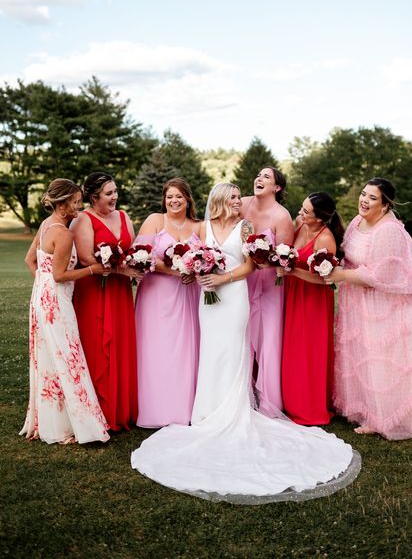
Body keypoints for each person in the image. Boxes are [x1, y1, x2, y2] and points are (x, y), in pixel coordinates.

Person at [131, 183, 360, 503]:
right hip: (207, 300)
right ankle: (206, 413)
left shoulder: (246, 228)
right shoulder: (203, 227)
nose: (241, 202)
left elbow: (251, 265)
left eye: (241, 197)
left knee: (232, 351)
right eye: (236, 197)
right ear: (223, 200)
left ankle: (233, 411)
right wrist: (194, 270)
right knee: (211, 353)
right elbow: (191, 256)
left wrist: (223, 278)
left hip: (234, 295)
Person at [326, 178, 412, 440]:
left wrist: (341, 275)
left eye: (372, 198)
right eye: (363, 194)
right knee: (361, 354)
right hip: (357, 301)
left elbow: (381, 275)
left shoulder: (389, 231)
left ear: (386, 204)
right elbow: (348, 253)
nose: (364, 200)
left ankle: (384, 416)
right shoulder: (357, 222)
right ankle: (365, 408)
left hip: (384, 305)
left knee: (380, 356)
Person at [20, 179, 109, 444]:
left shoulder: (46, 225)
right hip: (56, 302)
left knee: (49, 359)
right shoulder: (64, 233)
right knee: (69, 358)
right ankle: (78, 426)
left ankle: (53, 422)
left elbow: (30, 260)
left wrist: (42, 285)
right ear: (62, 203)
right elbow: (60, 275)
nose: (79, 205)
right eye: (75, 201)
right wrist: (93, 270)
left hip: (41, 297)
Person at [72, 172, 139, 431]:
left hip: (119, 293)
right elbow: (88, 258)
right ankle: (97, 412)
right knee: (97, 346)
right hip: (94, 292)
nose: (114, 197)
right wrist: (124, 270)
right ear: (93, 197)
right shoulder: (83, 220)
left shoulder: (123, 216)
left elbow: (131, 252)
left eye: (115, 192)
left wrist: (136, 263)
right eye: (109, 193)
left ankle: (121, 409)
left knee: (120, 345)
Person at [134, 178, 201, 427]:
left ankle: (183, 409)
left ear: (188, 200)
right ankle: (154, 408)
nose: (173, 201)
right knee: (156, 348)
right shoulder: (155, 220)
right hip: (156, 294)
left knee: (184, 349)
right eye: (169, 196)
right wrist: (175, 271)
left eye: (179, 197)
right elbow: (141, 255)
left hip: (187, 295)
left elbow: (207, 255)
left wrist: (193, 269)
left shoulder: (199, 226)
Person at [280, 192, 344, 426]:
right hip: (294, 293)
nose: (301, 213)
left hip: (313, 300)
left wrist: (291, 271)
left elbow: (326, 280)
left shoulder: (325, 238)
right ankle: (291, 400)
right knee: (293, 348)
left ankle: (309, 405)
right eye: (302, 208)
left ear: (320, 218)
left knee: (309, 351)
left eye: (307, 211)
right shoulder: (299, 225)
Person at [240, 167, 294, 413]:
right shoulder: (241, 204)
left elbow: (285, 258)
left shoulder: (281, 216)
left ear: (277, 188)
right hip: (240, 282)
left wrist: (265, 259)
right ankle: (240, 397)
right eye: (258, 175)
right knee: (240, 338)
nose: (259, 178)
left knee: (268, 341)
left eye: (266, 177)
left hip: (269, 286)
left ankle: (269, 403)